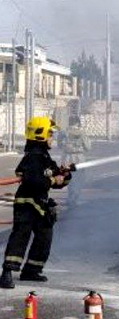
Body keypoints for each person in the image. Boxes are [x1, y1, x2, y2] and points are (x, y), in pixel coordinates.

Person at [0, 117, 72, 289]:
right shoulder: (33, 157)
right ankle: (7, 273)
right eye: (50, 134)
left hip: (41, 204)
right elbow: (35, 181)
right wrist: (53, 180)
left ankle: (31, 270)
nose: (52, 138)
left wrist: (65, 174)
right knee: (20, 236)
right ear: (41, 135)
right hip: (27, 204)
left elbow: (56, 178)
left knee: (44, 237)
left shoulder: (45, 157)